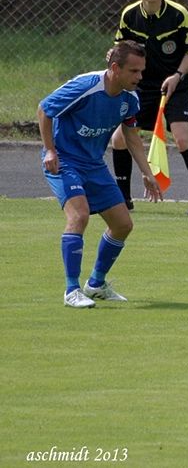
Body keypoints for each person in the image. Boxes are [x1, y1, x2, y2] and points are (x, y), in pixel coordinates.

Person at [38, 41, 163, 308]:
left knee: (123, 225)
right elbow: (44, 109)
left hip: (93, 164)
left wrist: (147, 172)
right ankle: (71, 290)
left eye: (142, 71)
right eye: (134, 71)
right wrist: (50, 151)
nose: (140, 77)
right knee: (79, 215)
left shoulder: (130, 98)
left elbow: (131, 135)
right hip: (64, 160)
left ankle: (96, 284)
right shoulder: (86, 87)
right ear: (116, 68)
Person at [110, 0, 188, 216]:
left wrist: (177, 76)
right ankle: (124, 198)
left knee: (182, 136)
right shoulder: (129, 15)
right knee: (120, 138)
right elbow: (120, 52)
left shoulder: (179, 14)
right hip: (141, 86)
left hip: (174, 84)